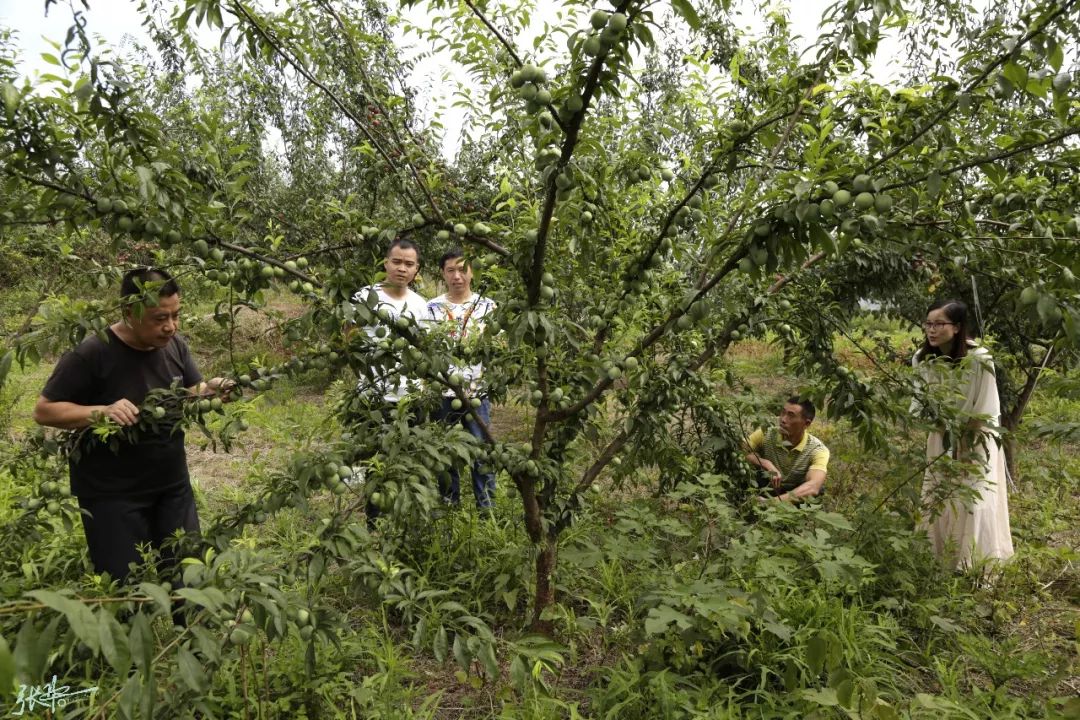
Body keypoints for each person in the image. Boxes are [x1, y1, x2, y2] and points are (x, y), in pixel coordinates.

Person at [33, 267, 233, 583]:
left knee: (190, 579)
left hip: (171, 486)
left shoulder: (175, 345)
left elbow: (191, 392)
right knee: (123, 589)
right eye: (159, 318)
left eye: (176, 315)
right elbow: (45, 411)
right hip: (112, 495)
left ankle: (192, 630)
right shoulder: (92, 351)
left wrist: (212, 389)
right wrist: (101, 411)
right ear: (129, 311)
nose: (170, 327)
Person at [911, 299, 1014, 569]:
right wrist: (940, 427)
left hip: (978, 438)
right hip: (940, 435)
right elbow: (919, 403)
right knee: (938, 492)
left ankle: (974, 564)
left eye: (939, 324)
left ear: (956, 327)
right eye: (928, 324)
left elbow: (987, 408)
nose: (931, 330)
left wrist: (966, 443)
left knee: (974, 497)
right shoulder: (923, 359)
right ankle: (938, 560)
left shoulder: (979, 359)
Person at [349, 239, 428, 524]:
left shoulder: (420, 305)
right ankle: (375, 522)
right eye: (397, 262)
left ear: (416, 269)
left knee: (409, 460)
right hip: (374, 396)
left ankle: (405, 518)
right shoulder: (365, 297)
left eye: (409, 264)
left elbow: (425, 350)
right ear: (385, 263)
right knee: (376, 463)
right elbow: (348, 340)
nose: (402, 268)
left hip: (411, 397)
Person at [426, 249, 497, 510]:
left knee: (481, 452)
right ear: (443, 274)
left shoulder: (487, 306)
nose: (457, 276)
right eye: (450, 270)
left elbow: (496, 347)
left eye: (462, 269)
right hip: (444, 394)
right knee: (445, 453)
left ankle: (486, 508)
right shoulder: (431, 307)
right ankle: (448, 506)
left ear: (472, 271)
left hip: (478, 393)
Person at [745, 397, 829, 502]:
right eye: (783, 413)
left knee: (818, 490)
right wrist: (765, 463)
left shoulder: (817, 449)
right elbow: (740, 450)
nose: (783, 420)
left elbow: (814, 486)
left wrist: (771, 503)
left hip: (794, 496)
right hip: (766, 486)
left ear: (806, 424)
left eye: (791, 415)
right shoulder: (766, 433)